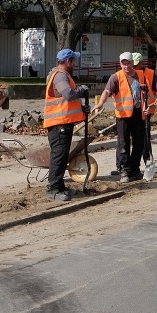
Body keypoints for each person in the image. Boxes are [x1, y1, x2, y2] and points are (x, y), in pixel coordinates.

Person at [43, 48, 88, 202]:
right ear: (68, 61)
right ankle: (53, 189)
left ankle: (60, 186)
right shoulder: (60, 76)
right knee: (59, 156)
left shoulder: (61, 75)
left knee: (62, 157)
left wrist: (82, 109)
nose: (75, 63)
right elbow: (68, 95)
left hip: (62, 123)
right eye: (74, 60)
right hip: (58, 124)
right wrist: (81, 90)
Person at [95, 52, 146, 182]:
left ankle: (135, 170)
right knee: (123, 144)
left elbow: (148, 91)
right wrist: (100, 103)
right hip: (122, 116)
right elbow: (107, 91)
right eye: (124, 64)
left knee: (139, 143)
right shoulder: (115, 77)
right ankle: (124, 171)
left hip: (138, 114)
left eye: (128, 63)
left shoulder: (140, 76)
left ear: (132, 63)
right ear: (120, 64)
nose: (126, 66)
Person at [132, 52, 157, 165]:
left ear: (142, 63)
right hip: (130, 111)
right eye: (133, 64)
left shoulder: (150, 74)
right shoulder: (128, 74)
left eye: (136, 65)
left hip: (145, 111)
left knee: (145, 136)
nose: (134, 67)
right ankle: (125, 165)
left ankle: (148, 160)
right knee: (128, 138)